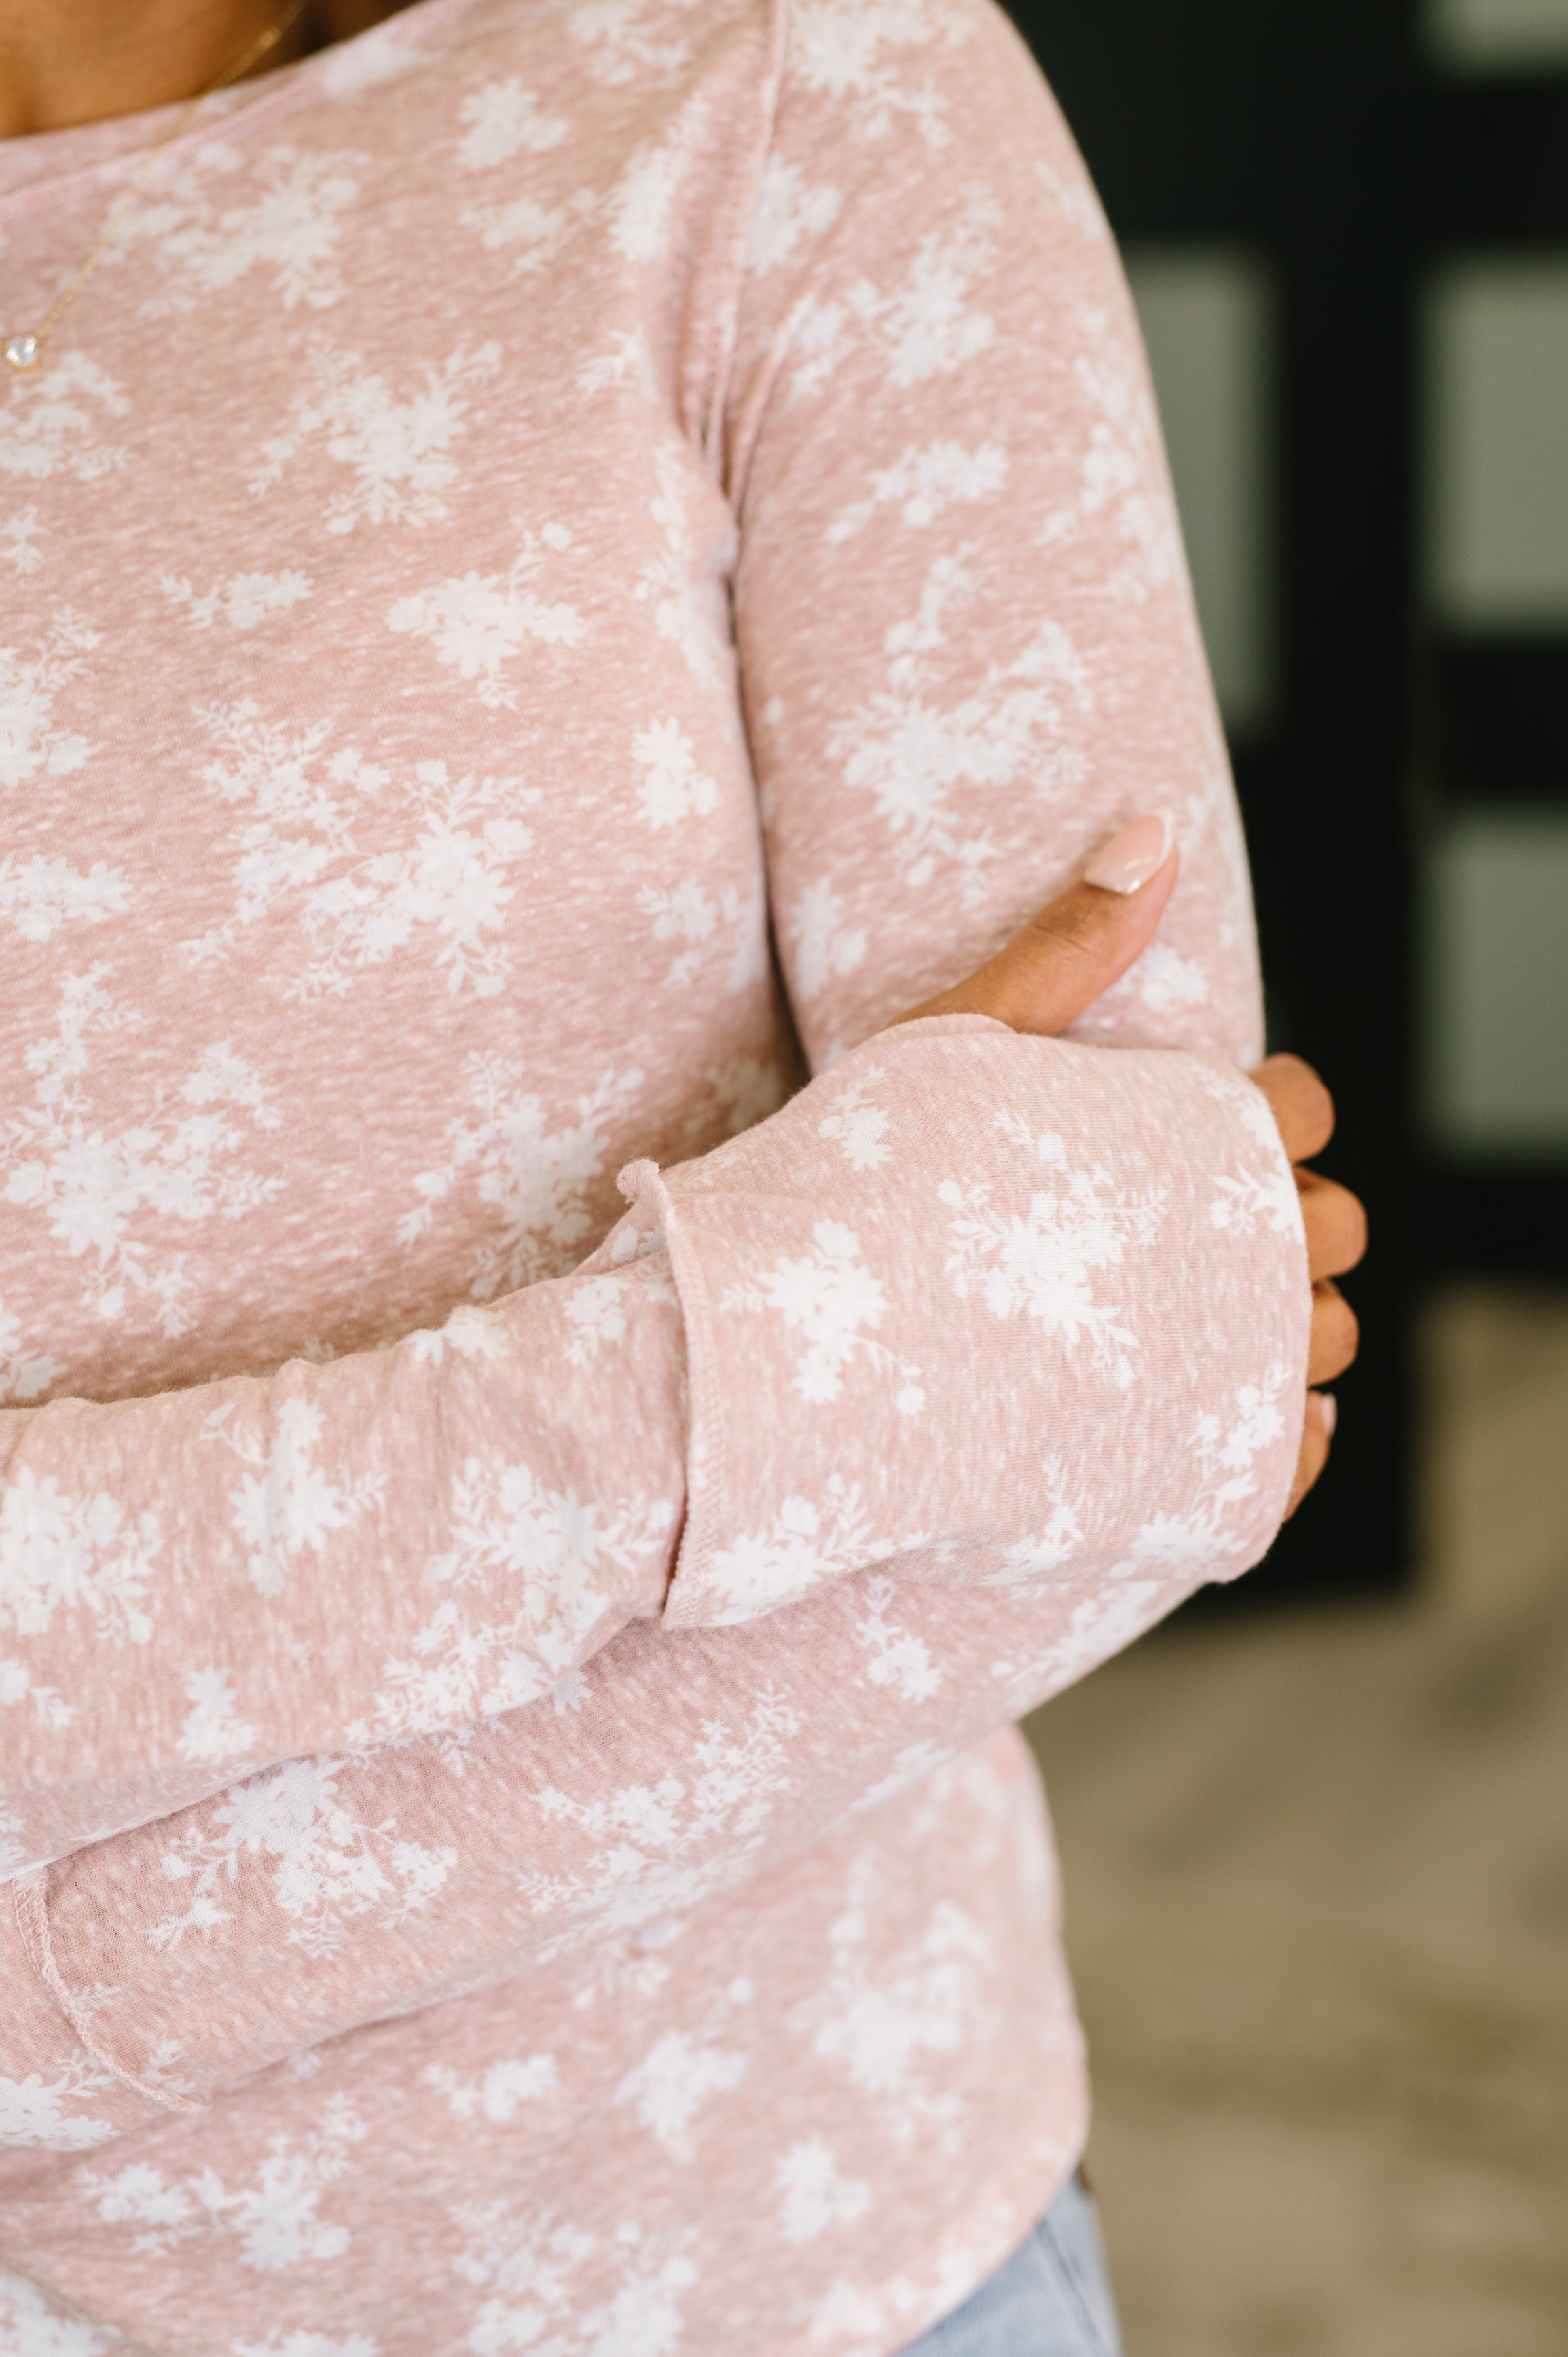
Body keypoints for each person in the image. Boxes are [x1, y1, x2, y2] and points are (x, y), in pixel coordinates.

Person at [0, 0, 1365, 2348]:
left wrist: (51, 1990)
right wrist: (738, 1383)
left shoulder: (790, 78)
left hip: (751, 2251)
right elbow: (990, 1362)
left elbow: (1128, 1371)